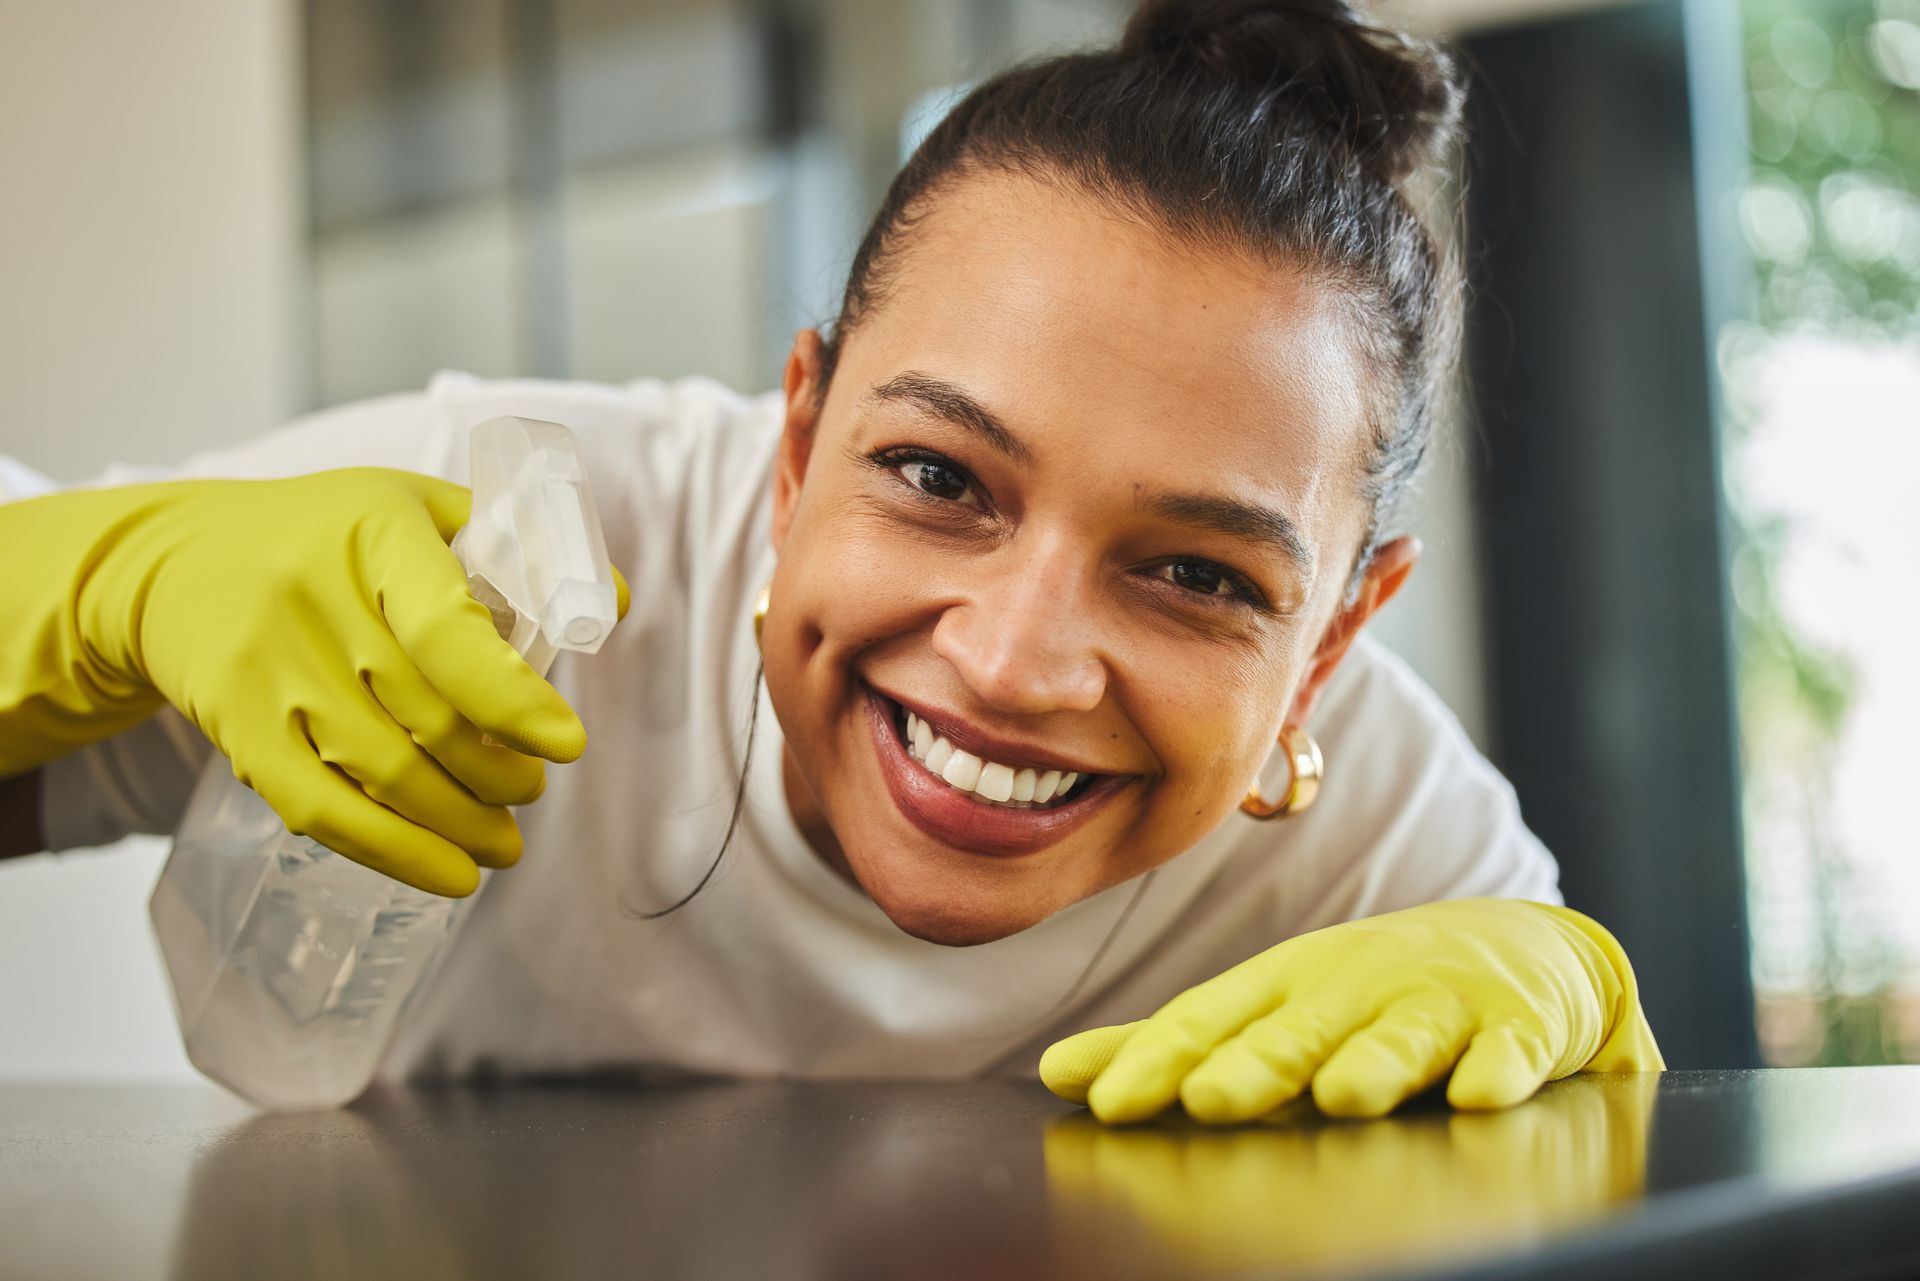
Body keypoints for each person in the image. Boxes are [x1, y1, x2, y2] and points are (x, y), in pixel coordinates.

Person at [0, 0, 1662, 1122]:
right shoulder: (486, 542)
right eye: (938, 475)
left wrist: (1578, 989)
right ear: (795, 442)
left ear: (1333, 638)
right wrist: (93, 595)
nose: (1013, 664)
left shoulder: (1378, 836)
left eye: (1203, 576)